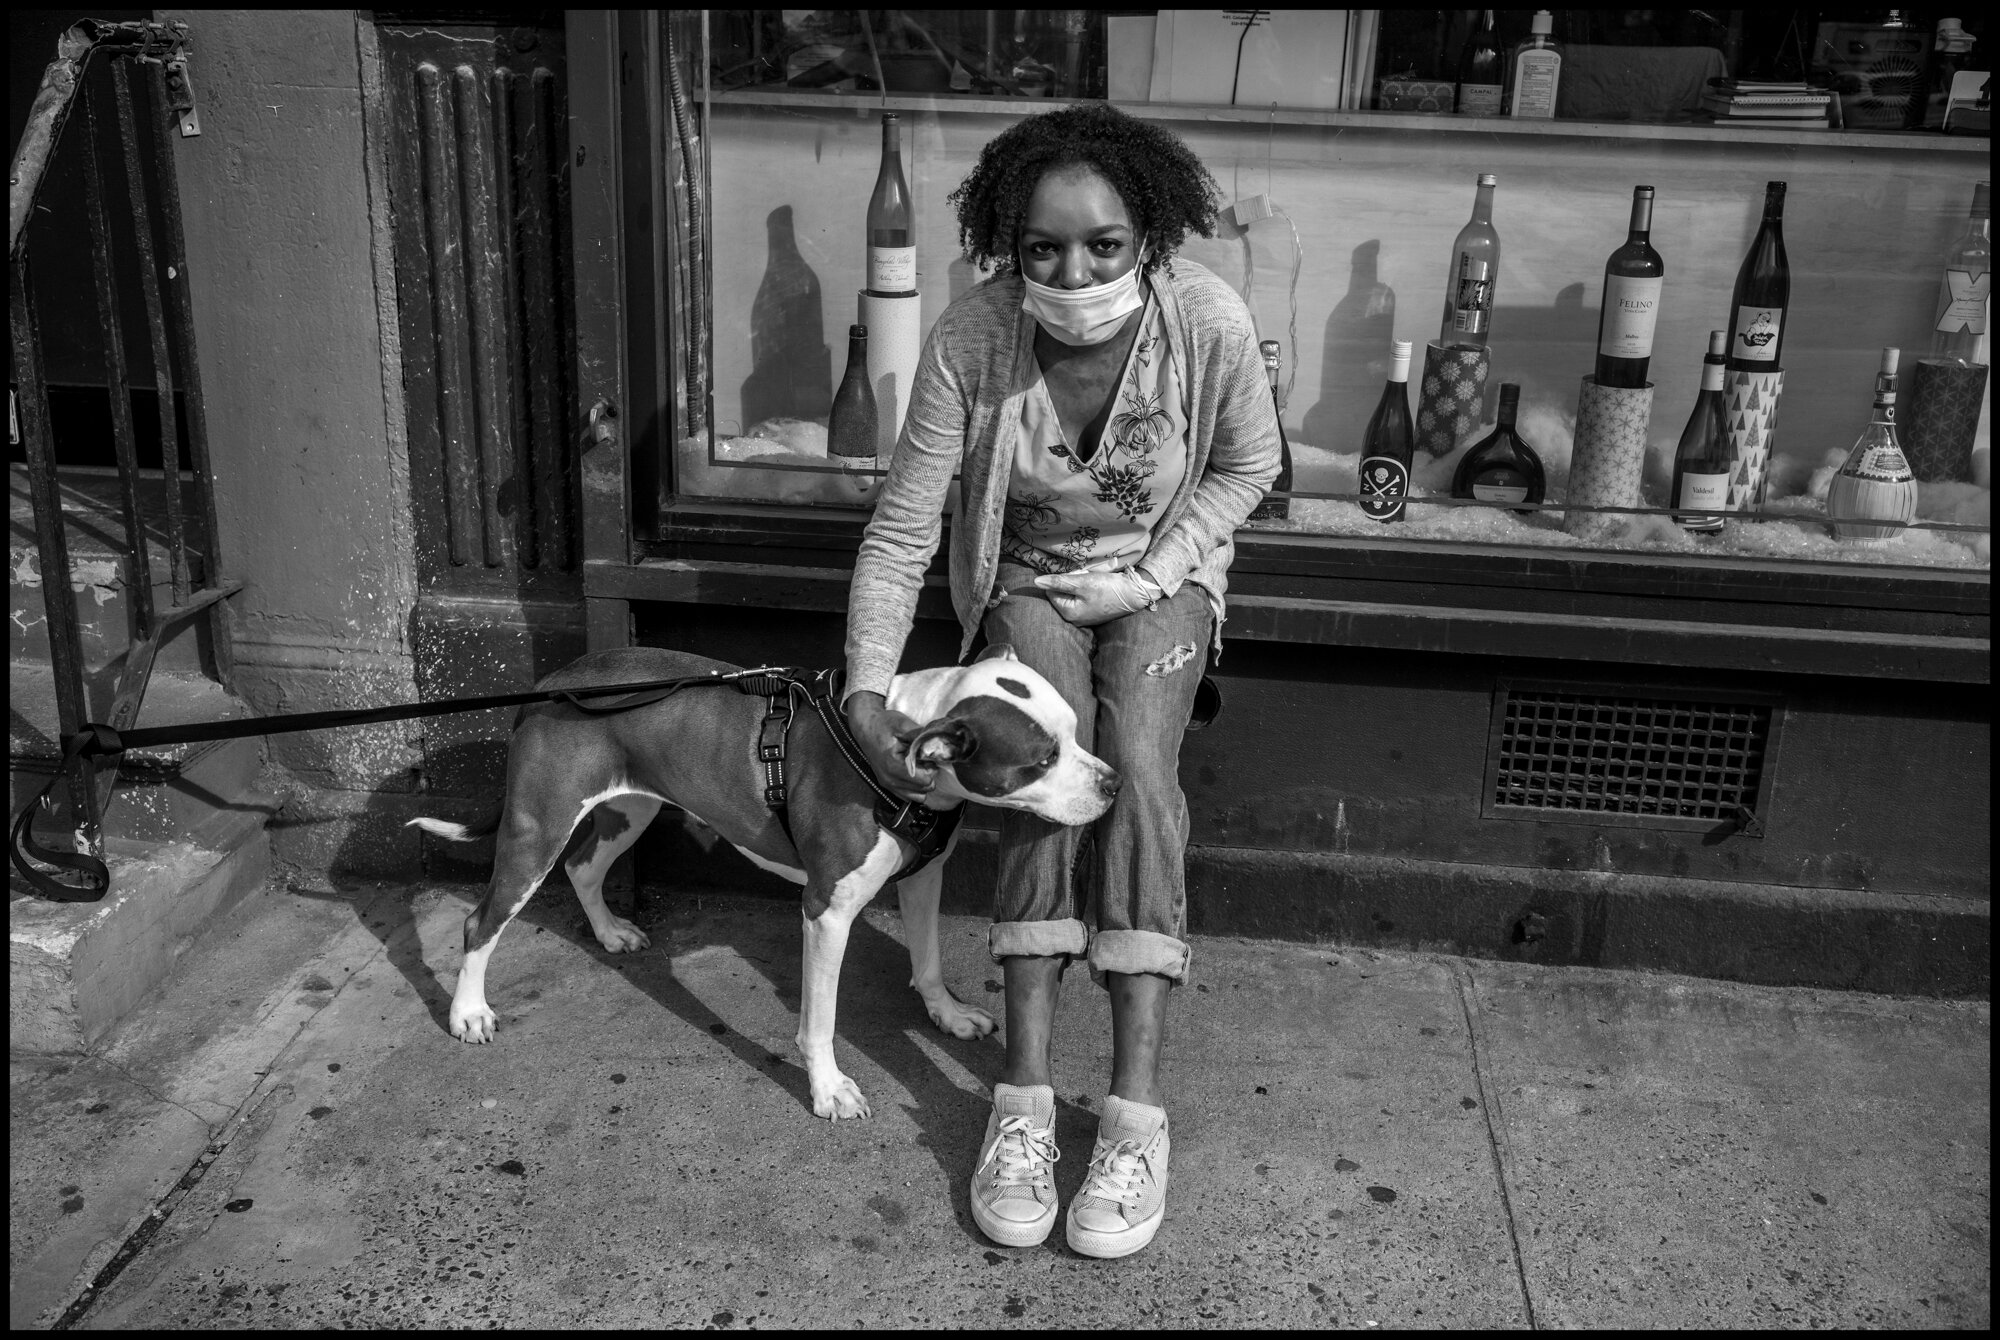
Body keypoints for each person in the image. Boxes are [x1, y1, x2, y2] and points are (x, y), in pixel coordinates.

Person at [842, 103, 1281, 1259]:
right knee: (1042, 779)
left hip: (1160, 581)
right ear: (1007, 244)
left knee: (1132, 764)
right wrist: (863, 688)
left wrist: (1156, 573)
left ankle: (1133, 1115)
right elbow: (899, 532)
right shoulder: (972, 339)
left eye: (1101, 243)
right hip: (1026, 586)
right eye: (1042, 247)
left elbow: (1249, 464)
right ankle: (1024, 1101)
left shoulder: (1204, 319)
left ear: (1148, 231)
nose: (1073, 268)